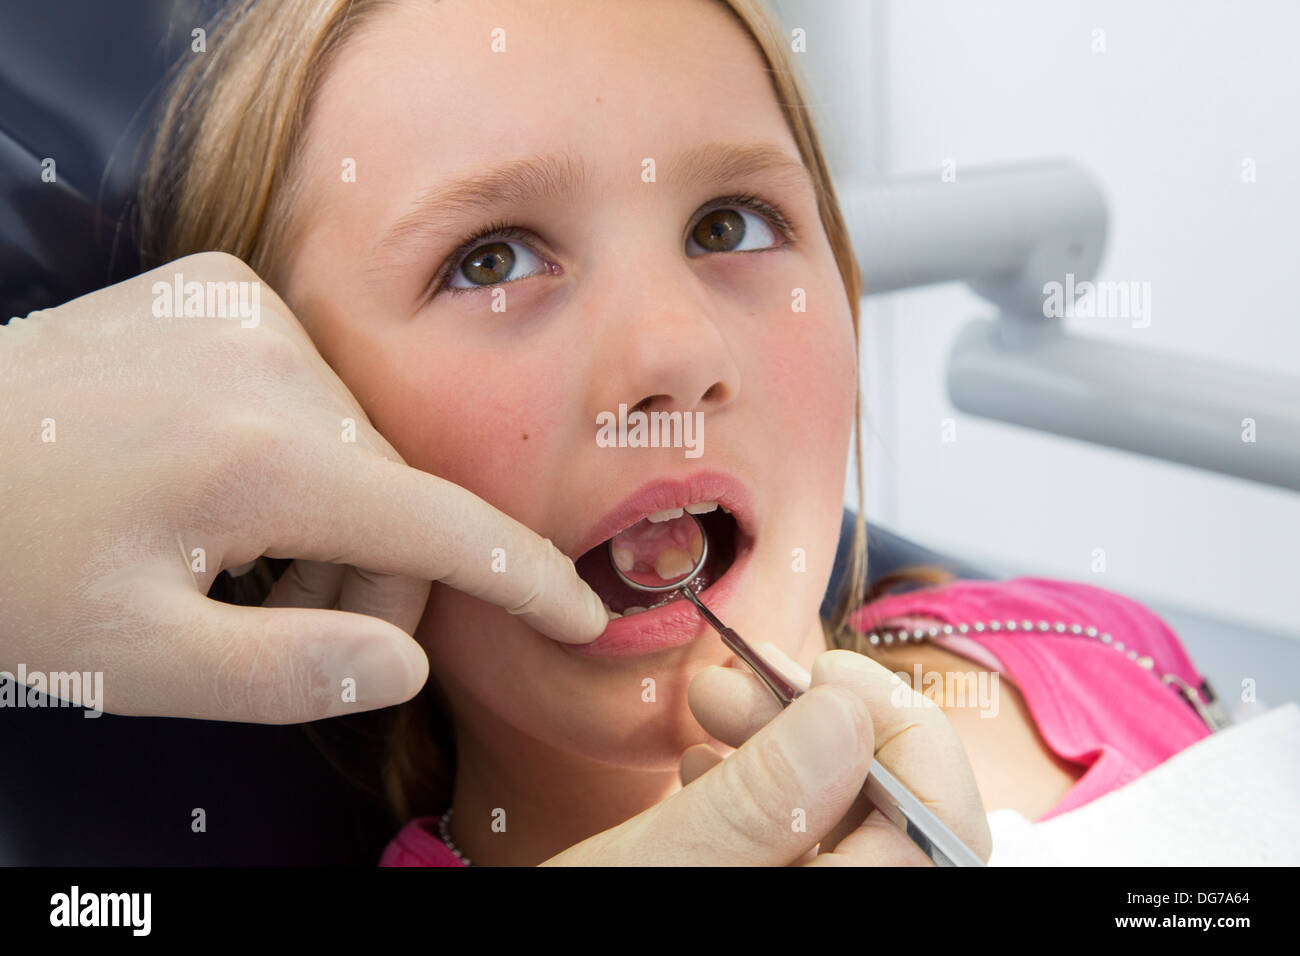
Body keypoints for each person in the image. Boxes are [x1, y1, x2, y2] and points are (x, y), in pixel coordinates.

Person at [1, 0, 1215, 867]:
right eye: (492, 260)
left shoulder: (1082, 642)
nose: (670, 354)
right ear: (298, 442)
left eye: (730, 225)